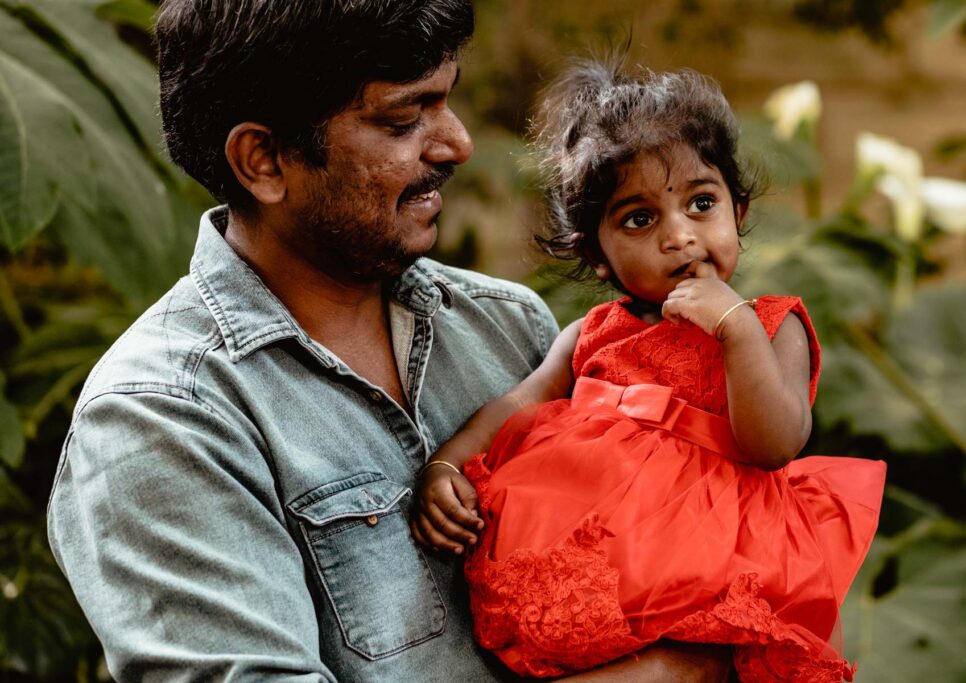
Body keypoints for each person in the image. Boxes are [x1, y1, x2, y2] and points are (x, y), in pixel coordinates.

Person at [47, 2, 732, 681]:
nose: (457, 144)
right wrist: (669, 675)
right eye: (404, 119)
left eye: (446, 102)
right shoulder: (162, 416)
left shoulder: (506, 328)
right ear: (263, 160)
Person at [412, 59, 887, 681]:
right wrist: (448, 463)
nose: (680, 236)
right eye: (639, 219)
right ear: (597, 256)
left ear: (738, 212)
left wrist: (736, 329)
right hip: (597, 564)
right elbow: (515, 407)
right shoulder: (594, 332)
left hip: (710, 561)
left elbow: (774, 444)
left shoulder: (772, 326)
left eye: (701, 203)